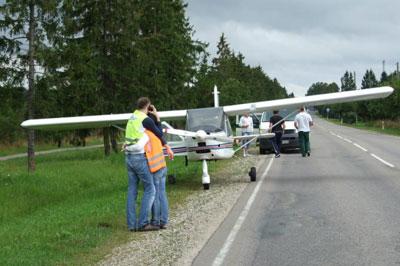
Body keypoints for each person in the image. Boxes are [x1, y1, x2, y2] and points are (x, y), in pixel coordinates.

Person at [124, 97, 169, 232]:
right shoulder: (146, 119)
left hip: (128, 157)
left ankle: (132, 225)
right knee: (150, 189)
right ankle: (143, 223)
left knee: (132, 190)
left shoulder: (132, 117)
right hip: (139, 157)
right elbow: (159, 133)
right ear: (148, 106)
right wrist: (157, 117)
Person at [146, 112, 173, 230]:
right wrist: (157, 117)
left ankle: (155, 221)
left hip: (154, 167)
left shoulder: (146, 135)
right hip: (162, 165)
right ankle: (164, 220)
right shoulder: (158, 134)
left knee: (155, 194)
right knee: (162, 193)